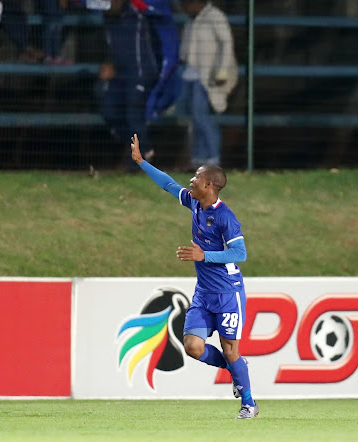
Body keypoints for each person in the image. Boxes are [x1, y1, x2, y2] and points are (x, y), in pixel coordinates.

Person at [129, 133, 258, 420]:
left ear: (209, 185)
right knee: (193, 347)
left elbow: (240, 254)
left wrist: (204, 256)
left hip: (227, 293)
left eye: (197, 177)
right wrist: (141, 163)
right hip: (204, 293)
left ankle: (248, 403)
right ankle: (235, 367)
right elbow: (168, 184)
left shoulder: (226, 217)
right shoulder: (194, 202)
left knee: (229, 348)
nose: (191, 180)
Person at [176, 0, 237, 169]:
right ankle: (198, 158)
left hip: (207, 76)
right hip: (189, 74)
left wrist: (222, 70)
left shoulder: (215, 16)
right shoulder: (191, 20)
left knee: (202, 117)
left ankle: (212, 158)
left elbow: (227, 43)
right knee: (193, 118)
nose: (184, 8)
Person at [99, 0, 158, 170]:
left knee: (134, 113)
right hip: (119, 74)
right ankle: (137, 149)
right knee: (109, 110)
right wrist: (108, 62)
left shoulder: (137, 16)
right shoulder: (106, 19)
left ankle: (140, 158)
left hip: (140, 73)